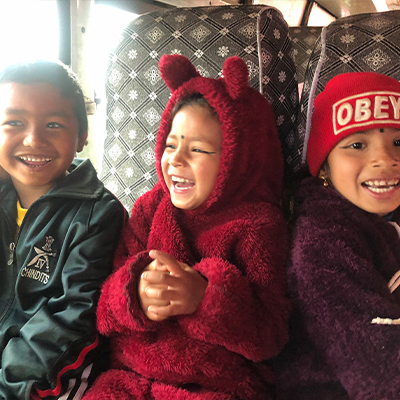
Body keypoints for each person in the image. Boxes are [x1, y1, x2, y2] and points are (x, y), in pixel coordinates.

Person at [82, 54, 290, 400]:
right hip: (130, 377)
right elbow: (104, 310)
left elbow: (271, 335)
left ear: (239, 159)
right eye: (170, 144)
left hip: (215, 385)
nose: (175, 160)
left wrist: (204, 299)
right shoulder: (150, 208)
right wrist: (134, 292)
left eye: (197, 149)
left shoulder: (258, 227)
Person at [0, 60, 126, 400]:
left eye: (53, 124)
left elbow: (71, 320)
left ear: (82, 136)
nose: (33, 139)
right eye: (13, 122)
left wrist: (9, 388)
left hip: (48, 376)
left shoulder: (98, 215)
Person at [274, 72, 400, 400]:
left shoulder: (374, 220)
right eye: (356, 145)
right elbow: (378, 368)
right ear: (324, 167)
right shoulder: (323, 241)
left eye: (399, 142)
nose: (385, 159)